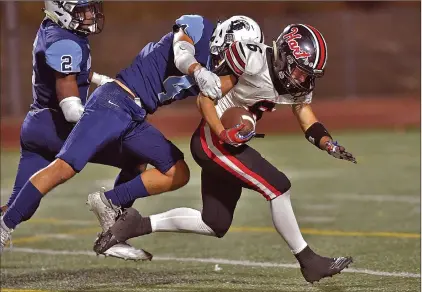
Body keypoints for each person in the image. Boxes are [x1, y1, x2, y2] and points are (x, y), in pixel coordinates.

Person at [93, 24, 356, 283]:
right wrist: (221, 132)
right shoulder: (251, 59)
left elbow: (303, 112)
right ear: (284, 56)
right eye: (299, 71)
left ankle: (136, 224)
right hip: (213, 140)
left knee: (214, 222)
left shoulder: (297, 81)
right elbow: (204, 99)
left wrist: (326, 142)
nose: (302, 80)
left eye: (308, 75)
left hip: (228, 141)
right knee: (278, 187)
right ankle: (309, 262)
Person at [0, 15, 264, 261]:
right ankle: (4, 225)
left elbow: (219, 101)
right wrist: (197, 70)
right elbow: (182, 52)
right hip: (115, 102)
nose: (238, 60)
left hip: (135, 114)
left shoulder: (222, 71)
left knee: (176, 170)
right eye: (238, 53)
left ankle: (112, 219)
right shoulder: (199, 27)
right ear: (226, 39)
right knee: (64, 168)